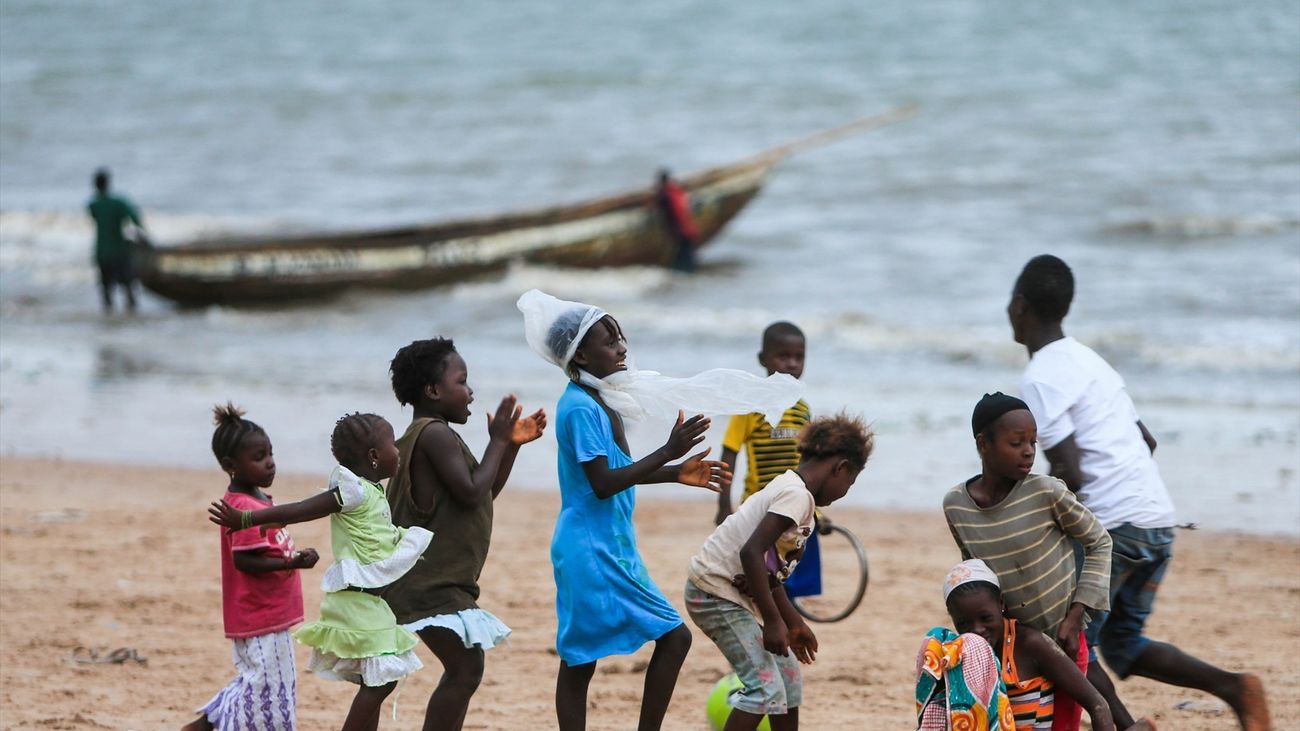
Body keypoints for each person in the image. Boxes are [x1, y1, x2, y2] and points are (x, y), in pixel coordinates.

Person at [516, 289, 802, 731]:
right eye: (609, 341)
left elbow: (618, 472)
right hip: (590, 546)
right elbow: (603, 483)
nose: (622, 348)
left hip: (609, 542)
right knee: (636, 646)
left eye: (621, 338)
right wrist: (667, 451)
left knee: (587, 657)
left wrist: (673, 473)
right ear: (581, 356)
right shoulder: (580, 407)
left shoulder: (600, 400)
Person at [1008, 254, 1272, 731]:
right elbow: (1145, 440)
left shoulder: (1041, 374)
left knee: (1065, 642)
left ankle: (1129, 728)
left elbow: (1070, 471)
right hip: (1156, 519)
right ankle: (1238, 689)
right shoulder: (1091, 361)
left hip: (1116, 528)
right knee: (1123, 644)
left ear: (1020, 305)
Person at [209, 413, 434, 731]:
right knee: (381, 682)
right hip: (355, 603)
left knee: (376, 680)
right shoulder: (353, 491)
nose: (398, 450)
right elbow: (304, 508)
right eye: (392, 445)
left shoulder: (372, 490)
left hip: (370, 601)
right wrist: (247, 519)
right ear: (373, 456)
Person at [383, 338, 547, 731]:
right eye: (462, 381)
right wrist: (498, 440)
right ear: (433, 390)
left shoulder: (433, 435)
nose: (470, 391)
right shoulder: (434, 435)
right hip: (428, 583)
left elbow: (480, 495)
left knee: (465, 667)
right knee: (465, 667)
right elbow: (473, 492)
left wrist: (509, 448)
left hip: (434, 580)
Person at [687, 414, 874, 731]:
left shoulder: (800, 500)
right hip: (712, 593)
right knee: (764, 689)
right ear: (841, 467)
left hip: (731, 594)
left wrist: (794, 623)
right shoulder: (795, 495)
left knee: (788, 680)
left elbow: (769, 576)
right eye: (850, 482)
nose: (845, 491)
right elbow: (751, 552)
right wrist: (774, 622)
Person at [943, 392, 1116, 731]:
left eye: (1033, 442)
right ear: (983, 444)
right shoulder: (957, 505)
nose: (1028, 451)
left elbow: (1099, 542)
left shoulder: (1046, 492)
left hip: (1064, 642)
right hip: (1010, 652)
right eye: (1016, 442)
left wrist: (1076, 616)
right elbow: (977, 576)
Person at [184, 404, 320, 731]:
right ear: (231, 465)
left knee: (258, 679)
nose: (270, 462)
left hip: (265, 613)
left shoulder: (256, 499)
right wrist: (292, 562)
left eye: (270, 453)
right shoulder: (243, 507)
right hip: (261, 615)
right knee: (270, 688)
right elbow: (244, 560)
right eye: (259, 457)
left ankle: (207, 723)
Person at [715, 321, 821, 601]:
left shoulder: (802, 408)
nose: (792, 363)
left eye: (799, 357)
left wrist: (817, 511)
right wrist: (724, 504)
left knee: (790, 578)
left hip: (797, 510)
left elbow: (811, 464)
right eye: (783, 356)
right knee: (761, 577)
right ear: (763, 359)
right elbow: (730, 452)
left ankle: (787, 620)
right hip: (761, 509)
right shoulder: (751, 406)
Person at [86, 168, 146, 312]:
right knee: (128, 286)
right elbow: (134, 217)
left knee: (106, 288)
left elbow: (93, 215)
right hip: (119, 250)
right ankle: (132, 313)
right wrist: (141, 233)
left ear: (95, 185)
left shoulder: (93, 205)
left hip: (101, 251)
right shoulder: (119, 203)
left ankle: (109, 314)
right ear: (108, 183)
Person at [655, 169, 700, 272]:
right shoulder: (676, 191)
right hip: (689, 230)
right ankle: (688, 275)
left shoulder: (664, 194)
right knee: (687, 256)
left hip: (681, 231)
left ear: (661, 181)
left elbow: (659, 206)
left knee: (682, 259)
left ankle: (683, 274)